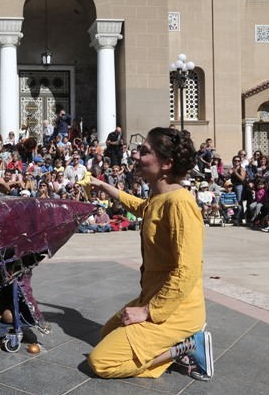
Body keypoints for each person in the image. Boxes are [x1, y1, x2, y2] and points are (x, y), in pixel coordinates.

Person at [87, 127, 213, 381]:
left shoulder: (180, 203)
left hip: (175, 310)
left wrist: (146, 312)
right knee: (107, 334)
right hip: (152, 296)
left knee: (102, 362)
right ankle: (173, 345)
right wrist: (103, 185)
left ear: (166, 163)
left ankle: (185, 346)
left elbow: (186, 270)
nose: (136, 156)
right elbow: (141, 207)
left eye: (144, 151)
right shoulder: (160, 198)